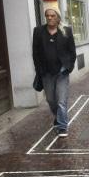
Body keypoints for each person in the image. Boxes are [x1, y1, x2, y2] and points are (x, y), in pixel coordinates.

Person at [32, 8, 76, 138]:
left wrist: (69, 67)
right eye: (47, 16)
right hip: (46, 73)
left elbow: (72, 51)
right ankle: (57, 117)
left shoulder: (66, 31)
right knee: (51, 100)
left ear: (58, 17)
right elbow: (35, 53)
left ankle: (62, 126)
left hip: (62, 72)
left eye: (52, 15)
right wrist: (39, 69)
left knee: (61, 100)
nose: (50, 18)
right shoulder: (38, 32)